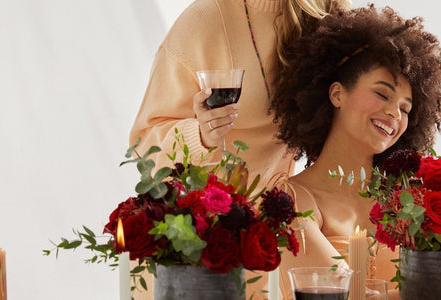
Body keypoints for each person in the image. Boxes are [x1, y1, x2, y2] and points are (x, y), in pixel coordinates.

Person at [268, 6, 441, 299]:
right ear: (336, 94)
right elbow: (347, 296)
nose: (394, 113)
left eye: (405, 108)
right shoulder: (287, 204)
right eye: (382, 94)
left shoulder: (410, 201)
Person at [128, 0, 349, 298]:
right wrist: (201, 136)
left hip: (274, 232)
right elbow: (146, 142)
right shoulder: (204, 21)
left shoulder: (328, 12)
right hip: (202, 244)